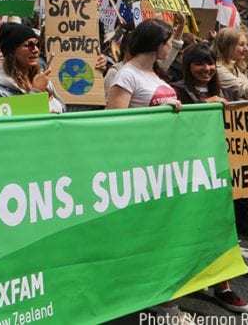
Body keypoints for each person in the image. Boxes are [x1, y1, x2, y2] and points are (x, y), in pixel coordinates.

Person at [105, 19, 192, 321]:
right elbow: (113, 122)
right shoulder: (126, 75)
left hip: (163, 167)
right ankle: (159, 301)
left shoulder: (154, 72)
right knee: (146, 236)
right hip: (138, 169)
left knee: (161, 236)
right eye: (169, 40)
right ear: (157, 43)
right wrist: (156, 115)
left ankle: (154, 294)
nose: (172, 46)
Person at [213, 27, 248, 246]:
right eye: (241, 45)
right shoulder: (220, 70)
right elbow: (247, 92)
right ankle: (235, 228)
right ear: (227, 46)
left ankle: (242, 225)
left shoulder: (237, 68)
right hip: (226, 135)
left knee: (242, 181)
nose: (246, 49)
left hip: (240, 135)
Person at [0, 23, 66, 113]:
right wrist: (36, 92)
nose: (36, 50)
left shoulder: (41, 78)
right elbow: (17, 121)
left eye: (37, 44)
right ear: (12, 51)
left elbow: (61, 108)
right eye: (29, 45)